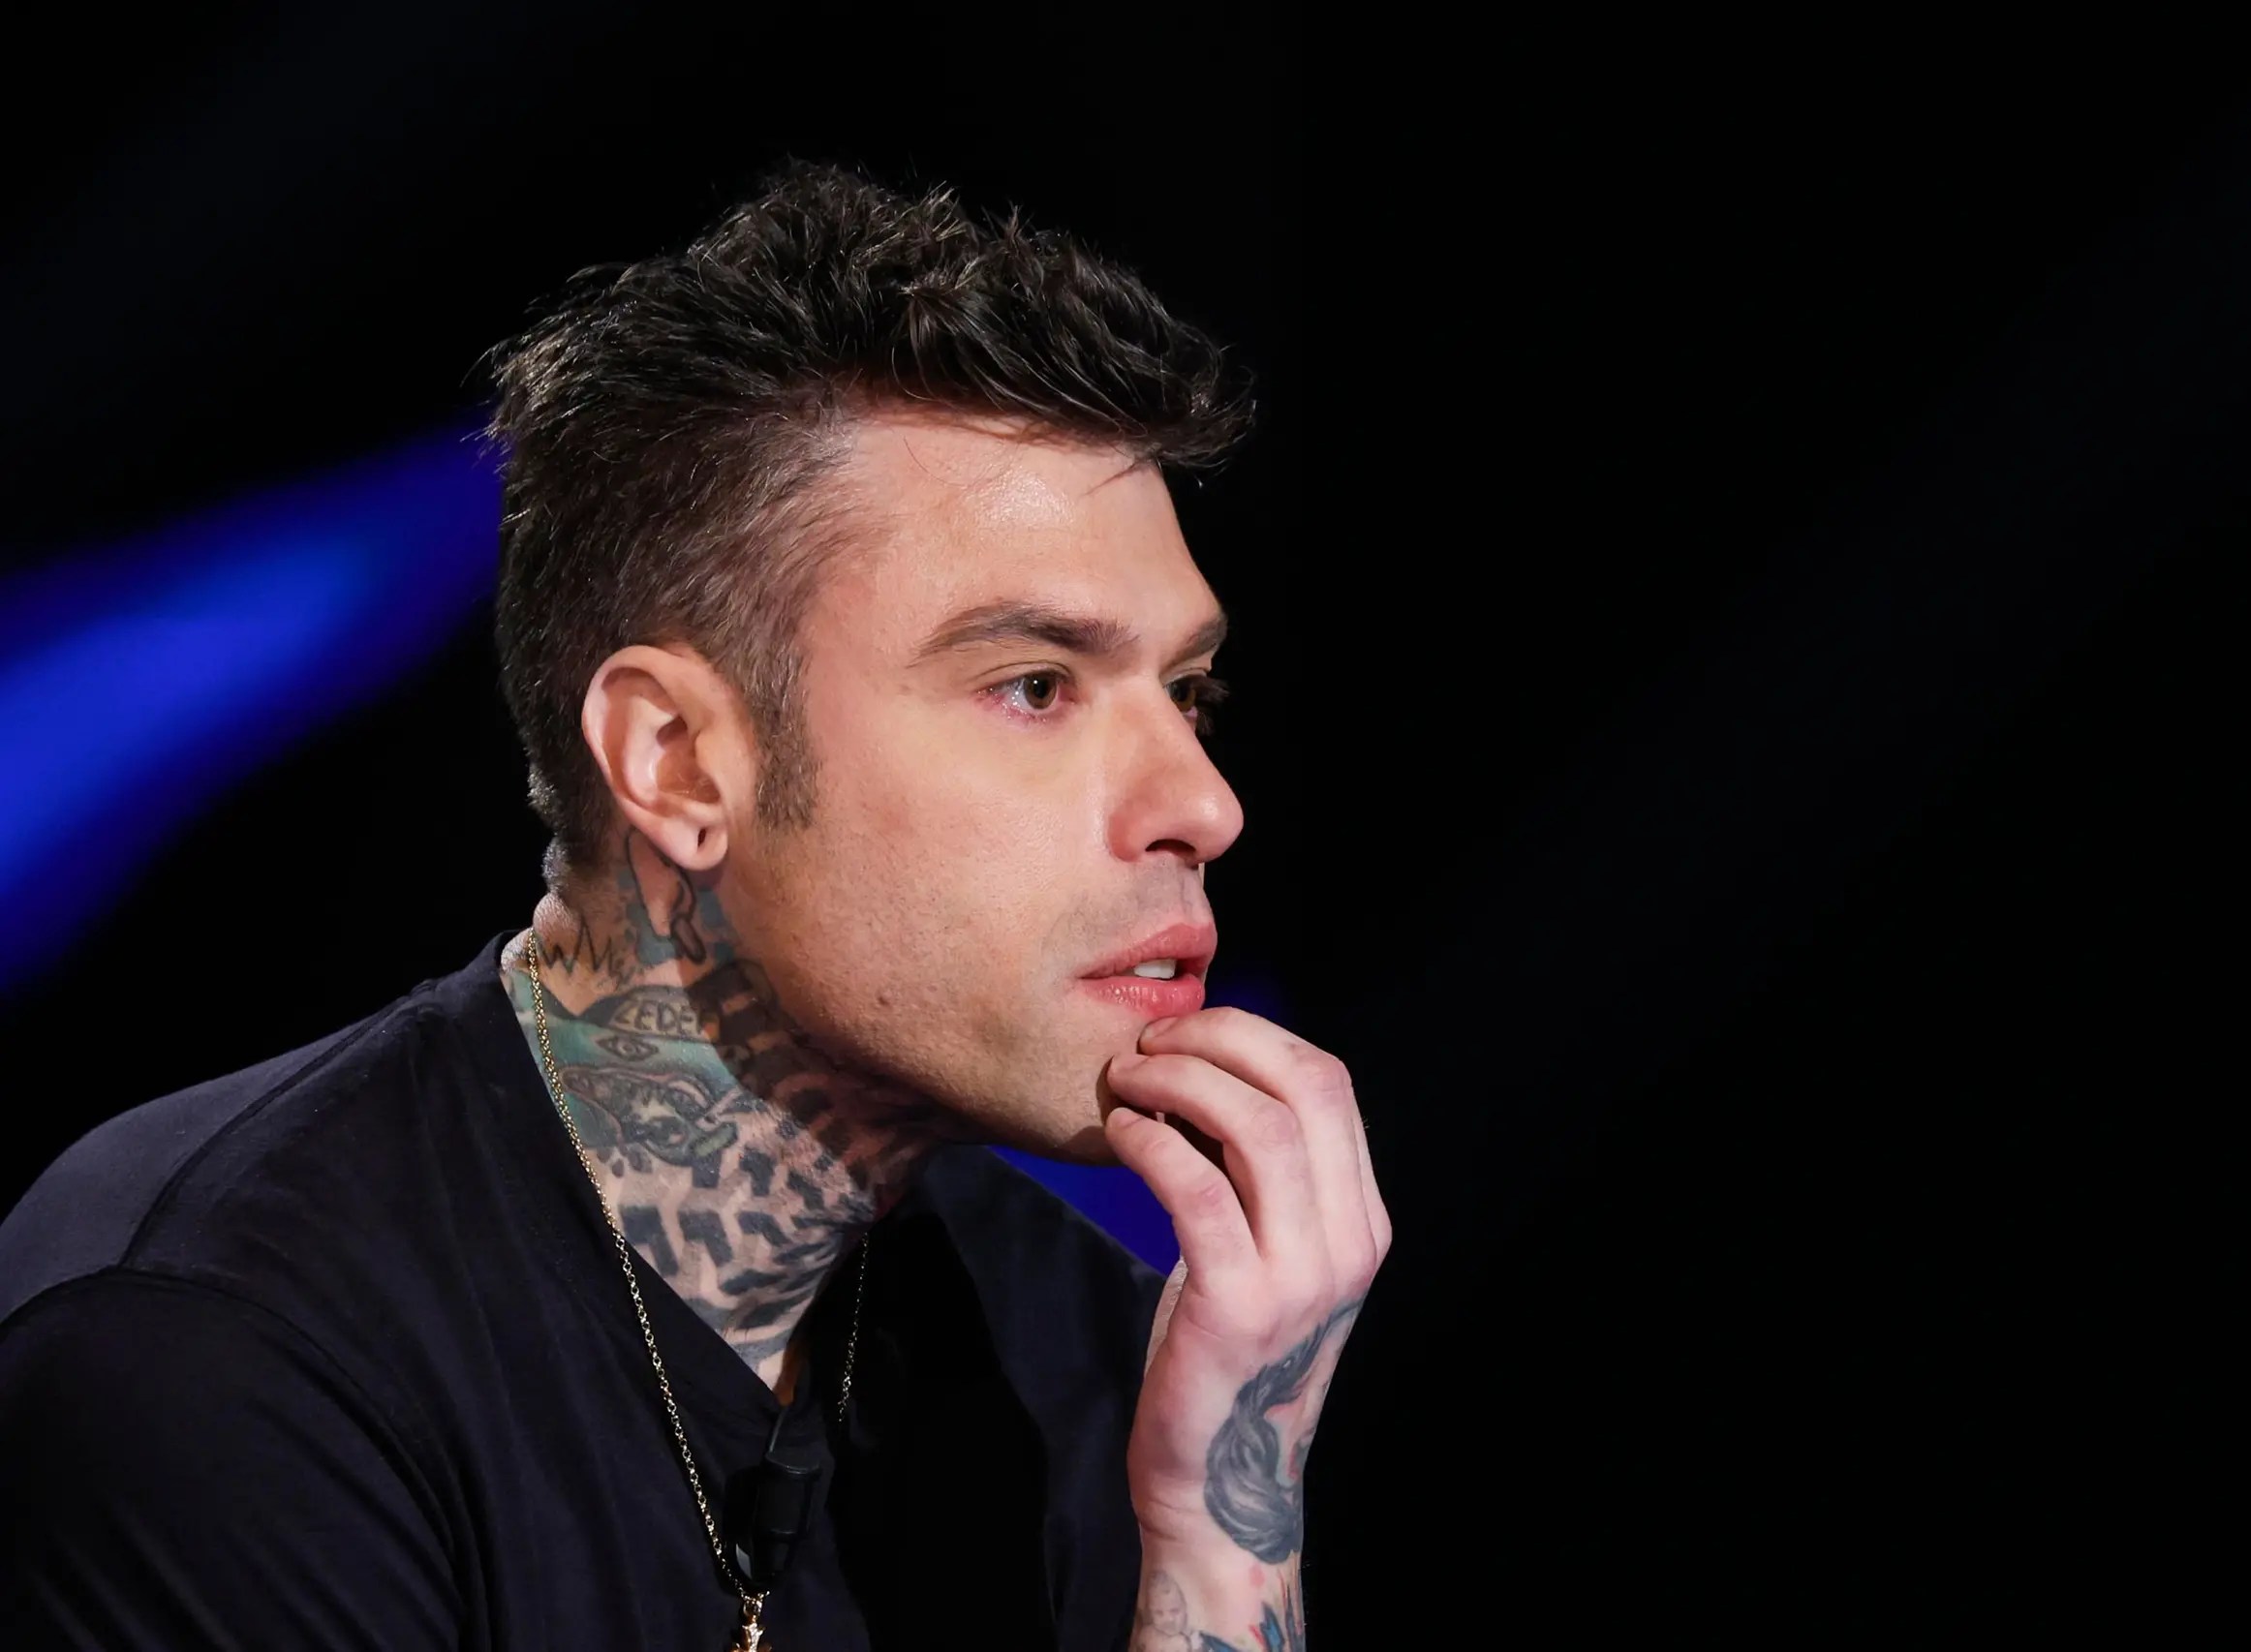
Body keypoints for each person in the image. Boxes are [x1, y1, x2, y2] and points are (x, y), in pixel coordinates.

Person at [0, 162, 1388, 1650]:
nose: (1204, 803)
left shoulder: (1116, 1359)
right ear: (674, 760)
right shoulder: (222, 1353)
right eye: (1036, 686)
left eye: (1189, 692)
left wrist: (1220, 1531)